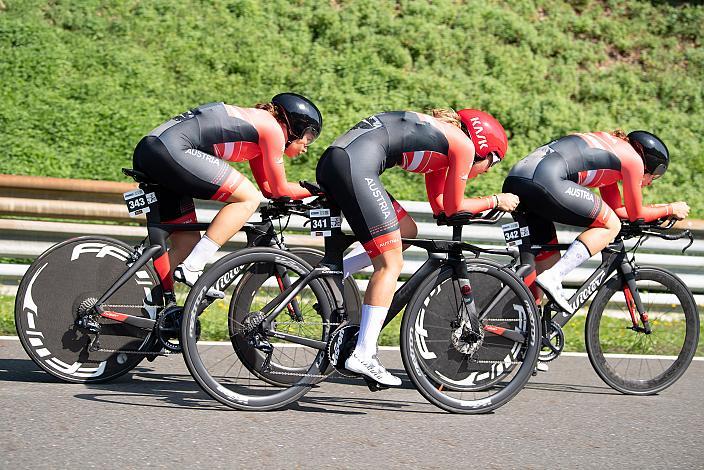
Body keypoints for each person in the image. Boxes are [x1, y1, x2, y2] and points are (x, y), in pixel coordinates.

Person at [316, 108, 518, 386]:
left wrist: (477, 205)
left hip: (339, 160)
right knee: (390, 264)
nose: (485, 173)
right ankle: (363, 354)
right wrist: (495, 200)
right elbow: (455, 206)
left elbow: (441, 207)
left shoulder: (441, 144)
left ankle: (334, 276)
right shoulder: (464, 146)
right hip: (355, 165)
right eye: (492, 164)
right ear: (485, 150)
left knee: (407, 232)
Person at [132, 93, 322, 290]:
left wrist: (305, 194)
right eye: (309, 137)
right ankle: (193, 267)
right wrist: (320, 191)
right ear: (296, 127)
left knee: (186, 244)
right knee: (248, 198)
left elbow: (269, 190)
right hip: (171, 150)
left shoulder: (258, 129)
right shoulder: (273, 130)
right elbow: (279, 188)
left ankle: (140, 296)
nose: (307, 147)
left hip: (154, 150)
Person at [503, 130, 689, 314]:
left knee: (546, 258)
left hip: (517, 179)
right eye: (654, 178)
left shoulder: (613, 153)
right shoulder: (635, 161)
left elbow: (617, 210)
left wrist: (660, 209)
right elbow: (636, 216)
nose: (649, 183)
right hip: (546, 180)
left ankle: (527, 324)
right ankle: (554, 277)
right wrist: (670, 209)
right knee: (611, 225)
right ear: (651, 165)